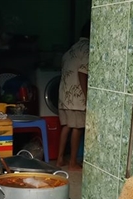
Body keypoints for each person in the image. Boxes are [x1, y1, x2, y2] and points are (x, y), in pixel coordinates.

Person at [57, 22, 90, 170]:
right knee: (77, 127)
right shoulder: (87, 48)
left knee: (67, 126)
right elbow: (82, 73)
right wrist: (87, 96)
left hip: (64, 94)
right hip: (77, 97)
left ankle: (59, 159)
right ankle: (72, 162)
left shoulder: (72, 48)